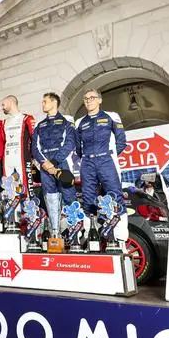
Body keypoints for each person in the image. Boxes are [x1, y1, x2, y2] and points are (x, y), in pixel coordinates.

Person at [75, 89, 128, 219]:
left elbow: (121, 141)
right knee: (88, 198)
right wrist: (87, 159)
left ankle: (119, 236)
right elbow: (78, 148)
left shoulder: (112, 116)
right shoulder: (79, 122)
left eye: (92, 97)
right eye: (86, 99)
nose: (88, 101)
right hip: (87, 163)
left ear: (99, 100)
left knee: (115, 195)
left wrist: (109, 155)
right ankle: (92, 232)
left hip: (106, 160)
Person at [32, 92, 78, 235]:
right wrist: (43, 163)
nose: (42, 104)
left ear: (54, 103)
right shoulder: (40, 125)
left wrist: (53, 162)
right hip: (45, 166)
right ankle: (55, 233)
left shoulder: (66, 122)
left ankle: (75, 232)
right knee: (50, 198)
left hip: (62, 164)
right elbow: (34, 147)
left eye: (45, 101)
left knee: (69, 196)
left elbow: (70, 144)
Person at [1, 95, 36, 195]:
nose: (2, 107)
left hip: (23, 159)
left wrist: (32, 157)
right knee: (9, 190)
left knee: (26, 189)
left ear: (11, 102)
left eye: (3, 104)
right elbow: (4, 141)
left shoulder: (27, 118)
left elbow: (34, 138)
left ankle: (28, 210)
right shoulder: (4, 122)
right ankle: (14, 210)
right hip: (7, 160)